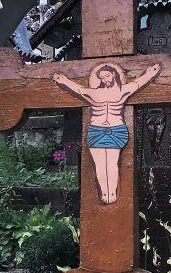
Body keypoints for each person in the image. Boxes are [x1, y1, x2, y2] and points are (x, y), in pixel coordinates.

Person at [52, 62, 160, 204]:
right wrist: (64, 80)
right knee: (99, 164)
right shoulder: (95, 92)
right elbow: (79, 89)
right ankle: (104, 192)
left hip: (116, 129)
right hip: (96, 130)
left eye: (107, 76)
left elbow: (138, 83)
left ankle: (112, 192)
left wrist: (150, 73)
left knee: (112, 163)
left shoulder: (122, 90)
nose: (105, 80)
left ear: (114, 74)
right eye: (102, 78)